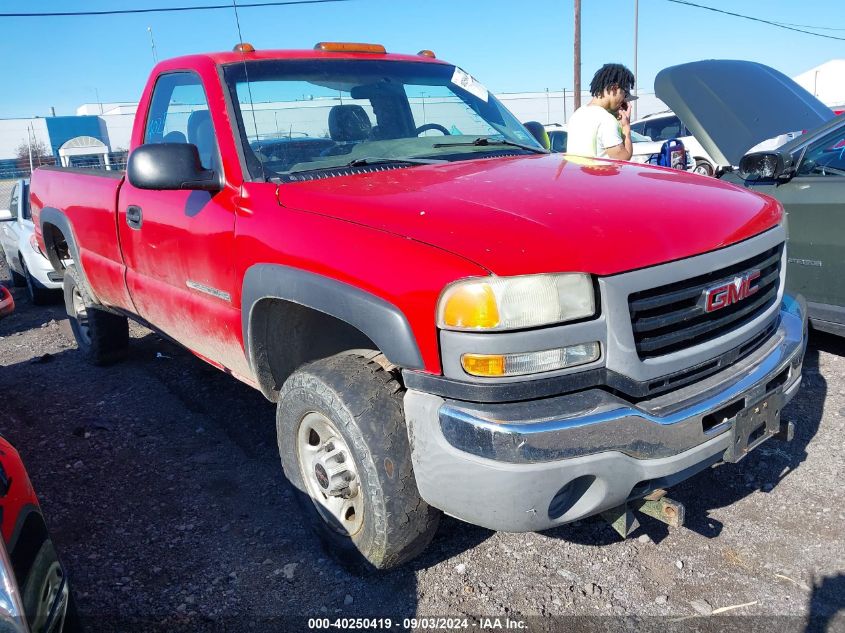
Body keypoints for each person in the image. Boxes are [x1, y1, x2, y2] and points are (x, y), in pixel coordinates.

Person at [566, 63, 636, 160]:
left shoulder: (577, 114)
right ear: (614, 88)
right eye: (626, 93)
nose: (625, 99)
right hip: (601, 175)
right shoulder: (606, 120)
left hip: (577, 173)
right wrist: (626, 127)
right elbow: (623, 159)